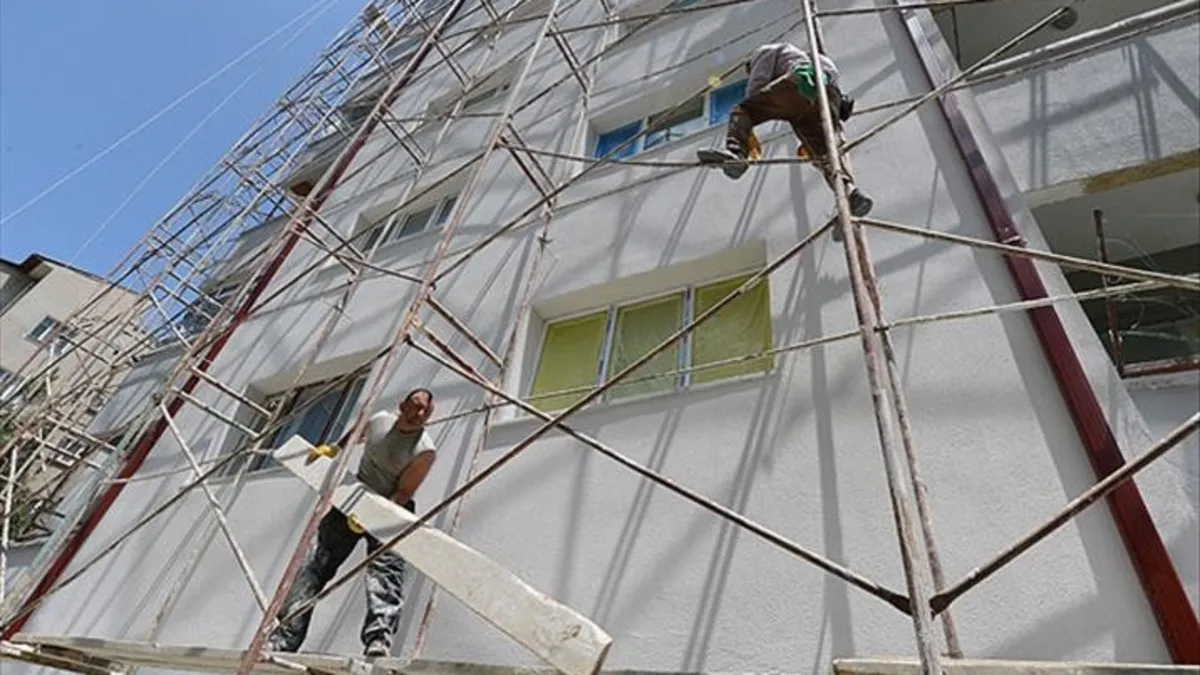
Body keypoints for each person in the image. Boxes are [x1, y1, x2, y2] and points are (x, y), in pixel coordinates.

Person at [266, 388, 437, 658]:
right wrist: (336, 448)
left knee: (384, 572)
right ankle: (285, 637)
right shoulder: (380, 420)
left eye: (426, 411)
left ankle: (378, 640)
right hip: (354, 495)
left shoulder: (424, 449)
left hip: (392, 506)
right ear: (401, 405)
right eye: (415, 406)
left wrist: (373, 516)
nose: (419, 414)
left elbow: (404, 492)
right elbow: (358, 432)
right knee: (313, 564)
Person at [698, 42, 874, 217]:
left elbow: (758, 83)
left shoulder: (764, 51)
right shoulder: (810, 56)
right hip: (829, 97)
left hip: (800, 84)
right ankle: (849, 193)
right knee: (825, 156)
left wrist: (755, 107)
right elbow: (831, 75)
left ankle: (737, 155)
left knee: (743, 111)